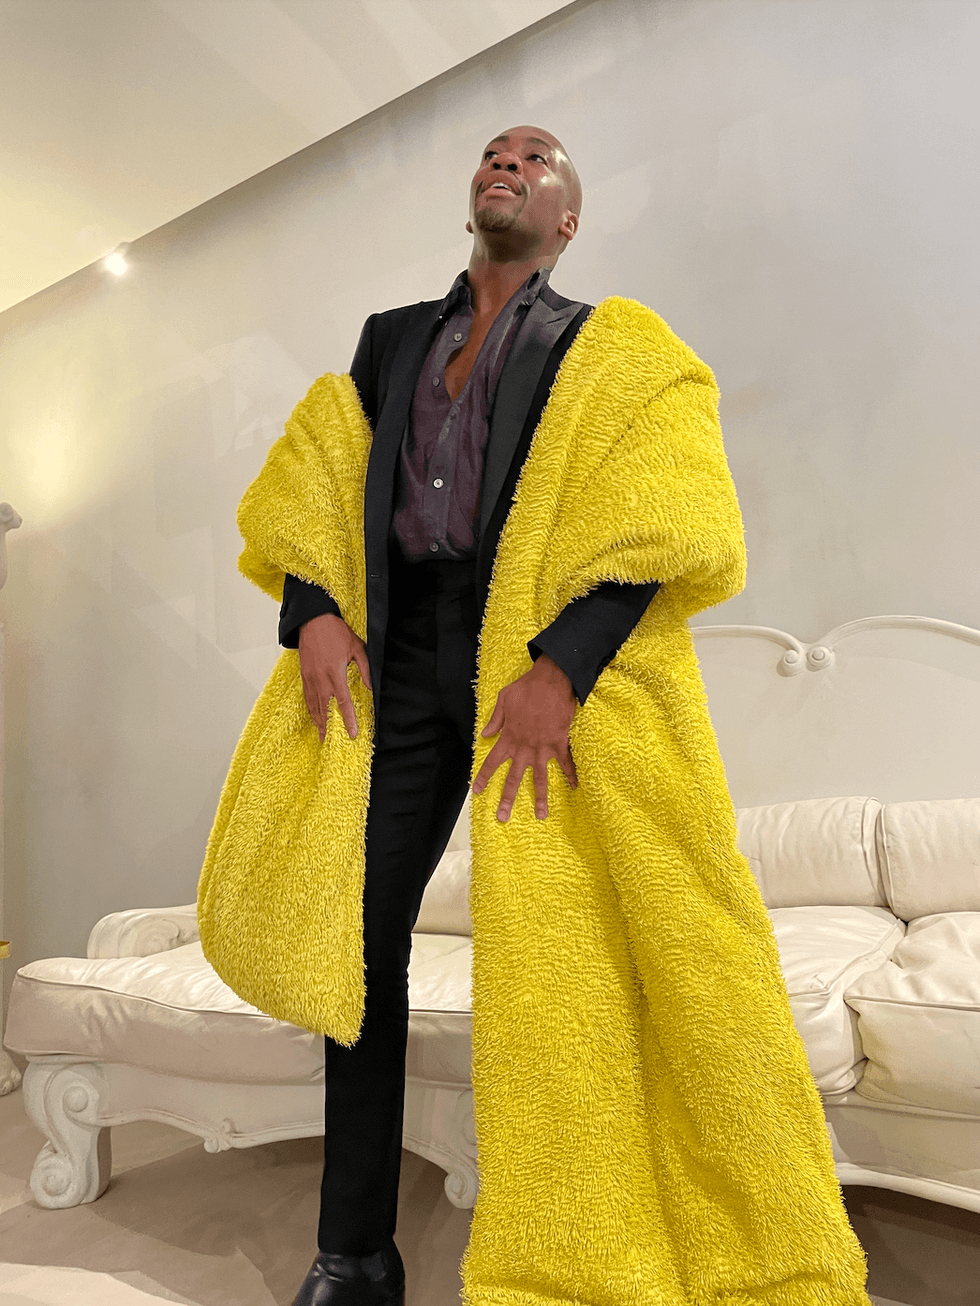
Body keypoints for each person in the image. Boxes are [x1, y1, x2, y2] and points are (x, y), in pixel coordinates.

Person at [283, 125, 659, 1306]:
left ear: (566, 218)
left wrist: (564, 668)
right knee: (360, 938)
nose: (507, 163)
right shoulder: (389, 338)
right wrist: (312, 610)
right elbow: (317, 483)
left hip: (520, 662)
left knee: (559, 949)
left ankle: (578, 1244)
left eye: (535, 158)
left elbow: (650, 509)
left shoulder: (600, 344)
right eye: (494, 154)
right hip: (395, 655)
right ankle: (353, 1254)